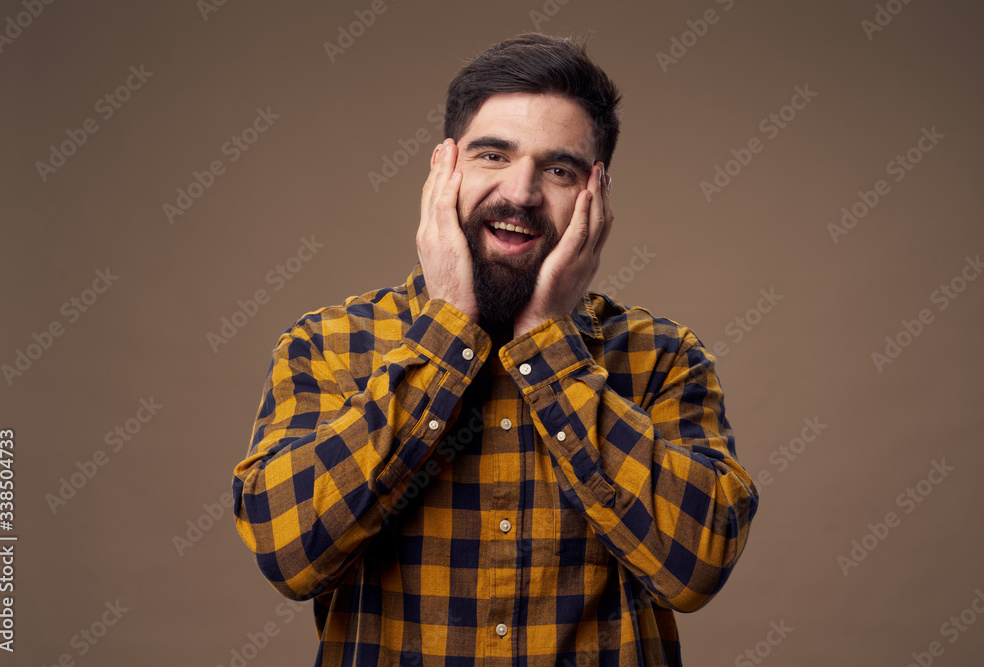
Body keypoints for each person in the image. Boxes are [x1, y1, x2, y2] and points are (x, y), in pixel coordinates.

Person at [232, 32, 759, 666]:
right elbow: (289, 554)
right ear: (443, 171)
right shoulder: (329, 347)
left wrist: (547, 344)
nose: (521, 193)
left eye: (558, 169)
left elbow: (696, 568)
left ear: (598, 196)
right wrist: (449, 325)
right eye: (492, 155)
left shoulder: (664, 358)